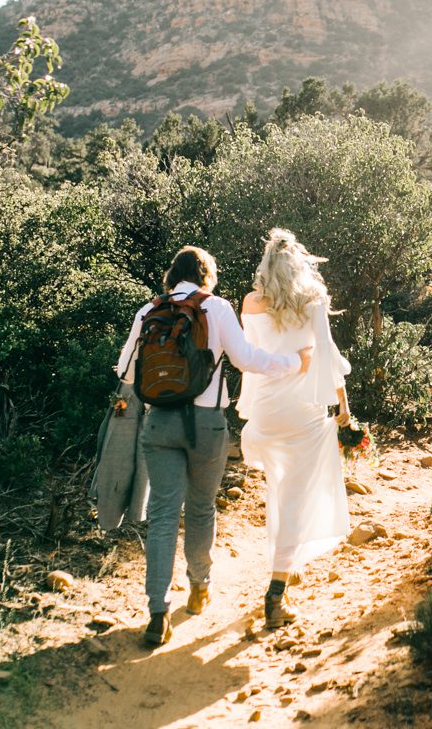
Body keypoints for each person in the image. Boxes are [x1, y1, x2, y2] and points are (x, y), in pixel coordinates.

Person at [115, 244, 312, 648]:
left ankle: (157, 612)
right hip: (206, 424)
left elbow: (125, 371)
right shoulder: (216, 307)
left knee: (163, 514)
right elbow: (246, 360)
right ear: (207, 274)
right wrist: (295, 363)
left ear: (173, 275)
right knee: (201, 507)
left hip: (159, 423)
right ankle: (199, 586)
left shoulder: (148, 311)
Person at [238, 228, 353, 628]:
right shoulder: (313, 301)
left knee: (279, 490)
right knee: (293, 502)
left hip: (265, 412)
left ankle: (286, 561)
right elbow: (326, 352)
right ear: (299, 265)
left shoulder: (251, 303)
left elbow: (253, 353)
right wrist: (343, 405)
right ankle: (276, 592)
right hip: (302, 413)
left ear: (266, 268)